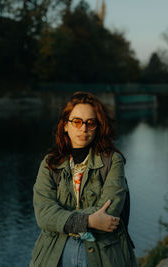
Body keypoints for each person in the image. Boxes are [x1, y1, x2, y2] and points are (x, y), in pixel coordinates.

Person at [30, 92, 138, 267]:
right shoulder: (49, 164)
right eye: (77, 122)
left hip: (103, 253)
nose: (84, 128)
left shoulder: (112, 161)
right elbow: (43, 214)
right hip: (55, 253)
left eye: (91, 123)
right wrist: (88, 221)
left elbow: (110, 212)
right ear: (66, 125)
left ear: (98, 127)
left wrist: (63, 219)